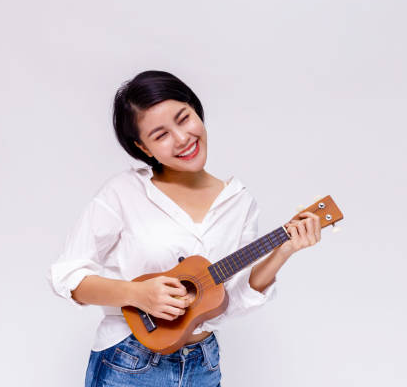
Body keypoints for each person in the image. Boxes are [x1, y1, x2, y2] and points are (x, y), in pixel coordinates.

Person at [48, 70, 321, 386]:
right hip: (131, 362)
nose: (182, 138)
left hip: (203, 364)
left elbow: (227, 301)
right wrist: (137, 294)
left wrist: (284, 249)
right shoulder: (124, 192)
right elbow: (67, 276)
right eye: (160, 135)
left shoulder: (239, 202)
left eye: (184, 118)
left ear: (197, 112)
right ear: (144, 148)